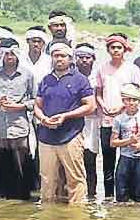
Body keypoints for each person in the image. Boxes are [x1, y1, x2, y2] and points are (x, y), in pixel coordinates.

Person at [34, 41, 96, 203]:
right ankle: (48, 216)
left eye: (62, 56)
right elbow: (37, 105)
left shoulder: (80, 80)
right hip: (46, 137)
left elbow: (90, 106)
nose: (59, 59)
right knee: (47, 180)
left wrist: (65, 116)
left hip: (71, 136)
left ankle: (77, 218)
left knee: (75, 179)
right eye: (55, 56)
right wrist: (42, 119)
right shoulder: (46, 80)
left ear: (70, 59)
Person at [0, 39, 37, 200]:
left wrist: (20, 106)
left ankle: (24, 198)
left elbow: (35, 100)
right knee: (2, 165)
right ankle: (6, 200)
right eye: (6, 54)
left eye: (13, 53)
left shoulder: (27, 74)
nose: (9, 57)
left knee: (23, 164)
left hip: (20, 127)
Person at [96, 32, 140, 193]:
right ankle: (109, 196)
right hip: (107, 120)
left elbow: (138, 94)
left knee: (128, 158)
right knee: (108, 161)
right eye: (112, 47)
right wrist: (103, 107)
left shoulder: (132, 69)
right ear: (108, 50)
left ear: (124, 49)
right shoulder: (102, 68)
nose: (116, 50)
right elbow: (98, 93)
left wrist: (121, 108)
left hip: (128, 120)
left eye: (119, 47)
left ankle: (127, 195)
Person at [110, 83, 140, 203]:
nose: (131, 103)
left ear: (139, 101)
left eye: (134, 100)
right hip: (125, 159)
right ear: (123, 101)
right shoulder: (118, 119)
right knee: (122, 198)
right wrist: (129, 141)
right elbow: (113, 143)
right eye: (128, 100)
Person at [74, 42, 102, 200]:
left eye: (88, 57)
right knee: (74, 160)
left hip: (94, 124)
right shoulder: (70, 75)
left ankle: (91, 195)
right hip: (75, 123)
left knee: (90, 160)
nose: (84, 60)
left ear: (93, 59)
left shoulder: (98, 76)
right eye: (80, 57)